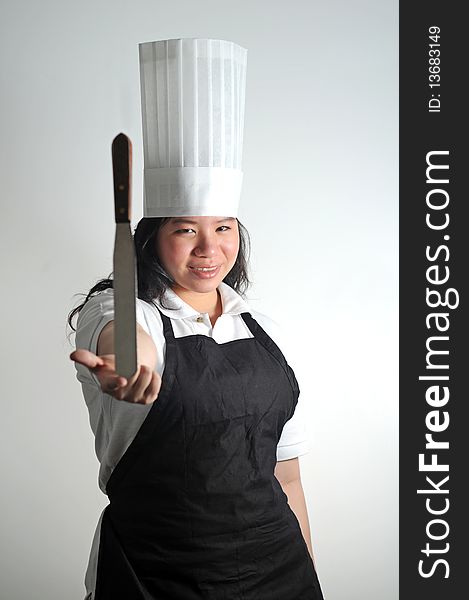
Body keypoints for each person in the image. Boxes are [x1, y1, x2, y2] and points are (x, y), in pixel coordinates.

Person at [68, 38, 325, 599]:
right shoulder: (125, 310)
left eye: (224, 228)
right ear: (152, 239)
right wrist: (122, 365)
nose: (209, 248)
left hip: (279, 573)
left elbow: (288, 477)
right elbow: (121, 338)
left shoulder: (267, 332)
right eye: (186, 229)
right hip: (155, 576)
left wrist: (309, 577)